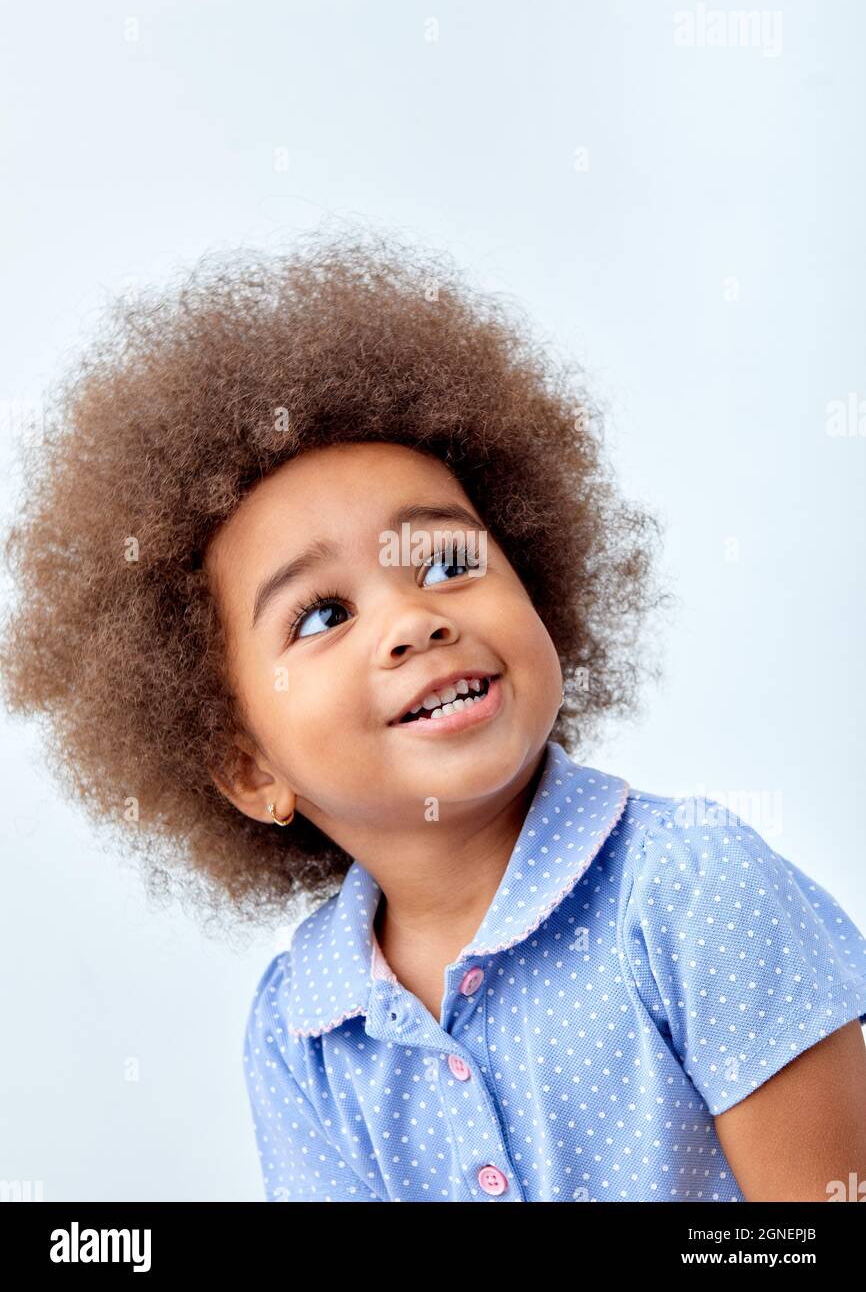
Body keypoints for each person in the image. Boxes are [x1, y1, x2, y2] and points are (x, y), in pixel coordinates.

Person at [2, 227, 865, 1202]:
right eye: (322, 613)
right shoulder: (304, 1032)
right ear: (250, 768)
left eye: (449, 562)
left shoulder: (688, 886)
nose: (414, 619)